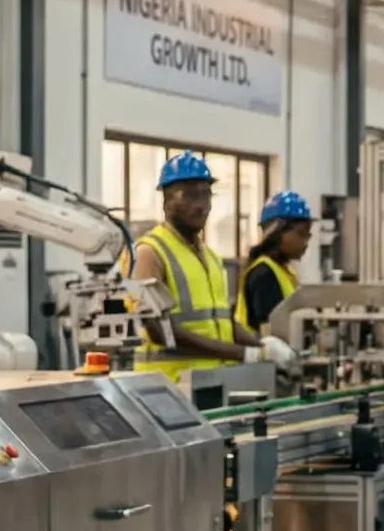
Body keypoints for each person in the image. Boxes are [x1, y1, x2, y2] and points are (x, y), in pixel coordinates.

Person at [127, 153, 293, 380]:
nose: (201, 206)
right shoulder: (150, 252)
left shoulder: (212, 258)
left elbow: (222, 323)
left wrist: (262, 345)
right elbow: (158, 331)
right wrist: (244, 354)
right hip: (166, 388)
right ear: (166, 200)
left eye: (206, 195)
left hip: (207, 384)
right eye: (190, 196)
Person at [235, 191, 314, 339]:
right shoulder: (263, 274)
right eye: (301, 234)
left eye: (308, 235)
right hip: (261, 358)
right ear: (276, 233)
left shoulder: (285, 271)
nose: (306, 242)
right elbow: (269, 330)